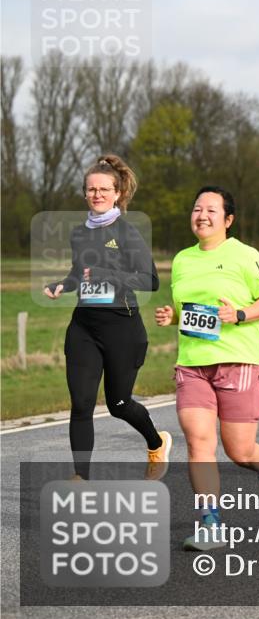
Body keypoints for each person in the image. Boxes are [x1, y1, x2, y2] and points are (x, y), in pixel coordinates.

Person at [155, 186, 259, 550]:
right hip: (193, 363)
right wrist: (173, 315)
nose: (202, 215)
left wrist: (240, 314)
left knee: (239, 450)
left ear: (227, 220)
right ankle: (211, 525)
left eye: (211, 210)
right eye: (197, 208)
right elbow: (190, 310)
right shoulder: (182, 259)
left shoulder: (245, 255)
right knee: (198, 443)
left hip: (238, 360)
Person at [44, 155, 171, 481]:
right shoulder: (78, 234)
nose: (97, 194)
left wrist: (107, 274)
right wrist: (62, 284)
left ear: (117, 194)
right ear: (85, 193)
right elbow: (79, 273)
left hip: (122, 328)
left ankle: (156, 443)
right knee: (82, 404)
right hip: (84, 326)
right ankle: (80, 479)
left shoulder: (127, 234)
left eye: (104, 189)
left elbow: (149, 280)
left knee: (118, 404)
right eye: (91, 189)